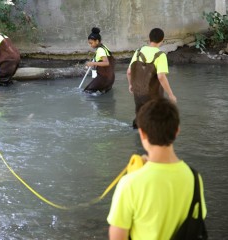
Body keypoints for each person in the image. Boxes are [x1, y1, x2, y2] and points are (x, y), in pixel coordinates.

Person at [107, 98, 207, 240]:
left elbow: (117, 237)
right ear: (177, 130)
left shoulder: (129, 184)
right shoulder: (194, 178)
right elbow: (198, 221)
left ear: (142, 133)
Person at [126, 28, 176, 128]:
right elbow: (161, 76)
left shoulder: (138, 51)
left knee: (140, 118)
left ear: (149, 39)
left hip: (138, 93)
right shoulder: (160, 55)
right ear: (162, 40)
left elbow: (129, 72)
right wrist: (171, 94)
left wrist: (131, 85)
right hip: (152, 94)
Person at [84, 27, 115, 94]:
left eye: (91, 43)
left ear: (97, 41)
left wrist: (92, 63)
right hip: (111, 78)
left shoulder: (100, 50)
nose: (90, 45)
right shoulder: (104, 47)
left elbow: (106, 63)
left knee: (86, 92)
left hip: (104, 79)